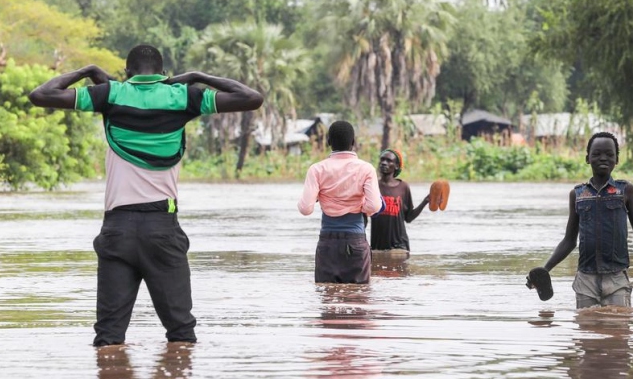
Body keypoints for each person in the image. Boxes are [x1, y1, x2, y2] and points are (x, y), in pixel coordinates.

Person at [28, 44, 263, 346]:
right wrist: (197, 75)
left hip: (117, 230)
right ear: (165, 74)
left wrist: (86, 71)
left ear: (127, 73)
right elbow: (252, 98)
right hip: (162, 230)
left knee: (108, 338)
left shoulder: (110, 95)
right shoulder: (183, 97)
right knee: (181, 335)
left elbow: (41, 95)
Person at [528, 132, 633, 308]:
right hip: (585, 280)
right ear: (587, 158)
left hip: (617, 278)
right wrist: (544, 271)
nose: (603, 158)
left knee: (619, 332)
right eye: (597, 154)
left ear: (617, 159)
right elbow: (569, 241)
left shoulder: (626, 191)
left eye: (609, 154)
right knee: (586, 332)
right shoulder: (577, 195)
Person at [297, 121, 383, 283]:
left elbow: (305, 209)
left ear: (328, 142)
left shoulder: (317, 169)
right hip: (356, 240)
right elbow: (374, 206)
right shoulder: (366, 169)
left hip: (327, 243)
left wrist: (317, 198)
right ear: (353, 142)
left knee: (328, 299)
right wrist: (358, 206)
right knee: (359, 299)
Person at [369, 149, 430, 253]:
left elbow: (409, 218)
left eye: (389, 161)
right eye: (382, 159)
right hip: (377, 247)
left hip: (399, 247)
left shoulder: (403, 187)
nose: (384, 163)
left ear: (396, 166)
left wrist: (425, 201)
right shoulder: (372, 185)